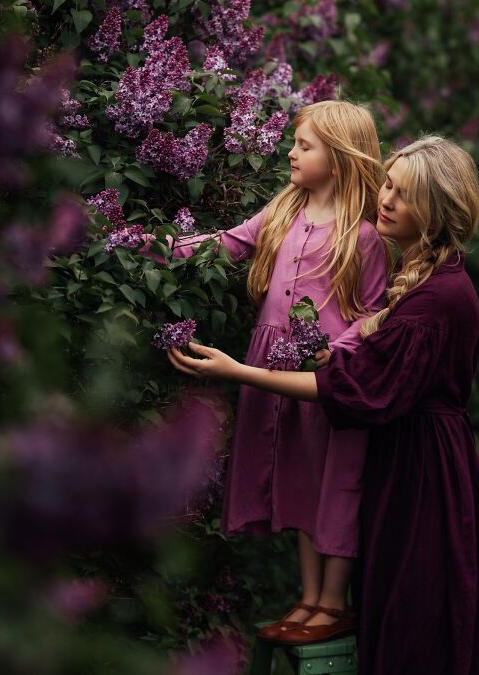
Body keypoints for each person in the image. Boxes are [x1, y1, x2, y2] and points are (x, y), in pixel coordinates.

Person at [168, 135, 479, 673]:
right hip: (409, 459)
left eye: (404, 195)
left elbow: (353, 390)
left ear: (437, 211)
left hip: (425, 474)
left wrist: (238, 372)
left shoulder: (437, 297)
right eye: (389, 186)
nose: (387, 200)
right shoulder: (422, 275)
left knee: (421, 620)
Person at [158, 100, 389, 641]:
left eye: (304, 146)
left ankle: (334, 604)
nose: (290, 151)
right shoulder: (283, 213)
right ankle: (308, 598)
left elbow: (375, 312)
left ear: (337, 159)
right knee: (297, 482)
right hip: (271, 371)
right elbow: (224, 246)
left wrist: (338, 351)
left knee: (337, 485)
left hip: (325, 382)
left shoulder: (365, 237)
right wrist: (151, 249)